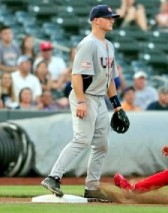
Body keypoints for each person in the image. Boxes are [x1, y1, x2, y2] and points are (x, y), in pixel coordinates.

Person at [41, 4, 130, 202]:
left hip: (99, 99)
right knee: (82, 138)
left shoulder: (109, 46)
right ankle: (53, 177)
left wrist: (117, 105)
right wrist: (81, 101)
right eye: (108, 17)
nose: (112, 20)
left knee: (102, 144)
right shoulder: (88, 44)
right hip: (85, 96)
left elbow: (110, 81)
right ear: (96, 20)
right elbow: (76, 76)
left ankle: (92, 187)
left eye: (112, 17)